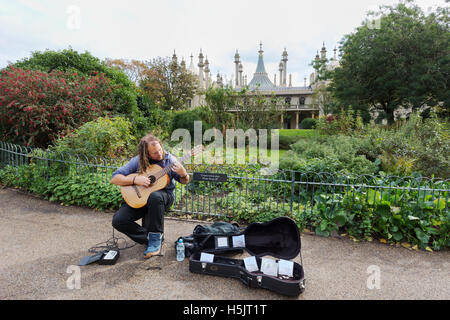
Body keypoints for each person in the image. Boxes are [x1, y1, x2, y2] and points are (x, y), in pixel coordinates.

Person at [111, 133, 190, 258]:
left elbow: (185, 181)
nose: (159, 154)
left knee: (155, 196)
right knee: (119, 220)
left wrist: (183, 173)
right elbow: (115, 178)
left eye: (160, 150)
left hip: (164, 197)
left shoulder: (170, 160)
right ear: (146, 154)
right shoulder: (138, 161)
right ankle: (151, 238)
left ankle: (154, 240)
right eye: (154, 153)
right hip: (141, 198)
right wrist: (135, 180)